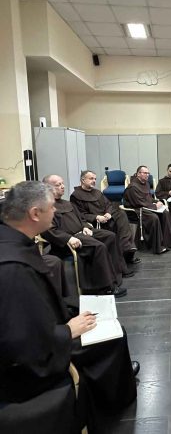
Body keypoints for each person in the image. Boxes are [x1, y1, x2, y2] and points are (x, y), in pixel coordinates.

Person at [0, 181, 138, 434]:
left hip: (43, 328)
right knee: (114, 335)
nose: (55, 211)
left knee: (94, 314)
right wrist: (68, 330)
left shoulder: (11, 240)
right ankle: (113, 399)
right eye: (51, 207)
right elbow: (22, 341)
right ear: (34, 213)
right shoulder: (13, 268)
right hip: (30, 363)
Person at [42, 175, 128, 297]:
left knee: (110, 236)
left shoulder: (67, 203)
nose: (63, 186)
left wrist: (85, 227)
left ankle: (115, 275)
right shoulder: (45, 207)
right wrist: (69, 238)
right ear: (47, 187)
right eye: (58, 185)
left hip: (82, 233)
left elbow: (81, 219)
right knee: (99, 247)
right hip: (68, 241)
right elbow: (48, 230)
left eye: (62, 183)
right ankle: (106, 287)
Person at [70, 170, 140, 266]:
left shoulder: (97, 192)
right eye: (91, 178)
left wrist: (108, 212)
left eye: (95, 179)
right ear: (83, 180)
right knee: (115, 225)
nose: (94, 181)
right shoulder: (76, 196)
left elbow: (108, 204)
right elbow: (80, 214)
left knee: (121, 214)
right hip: (94, 221)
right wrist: (96, 217)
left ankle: (127, 247)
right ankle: (125, 252)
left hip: (105, 216)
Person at [123, 166, 171, 254]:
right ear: (138, 174)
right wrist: (155, 207)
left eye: (148, 173)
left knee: (165, 213)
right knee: (154, 217)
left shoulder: (146, 184)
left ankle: (168, 242)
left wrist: (157, 202)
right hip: (136, 209)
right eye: (145, 173)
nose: (147, 175)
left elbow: (148, 198)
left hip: (146, 206)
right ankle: (158, 246)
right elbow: (138, 202)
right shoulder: (132, 187)